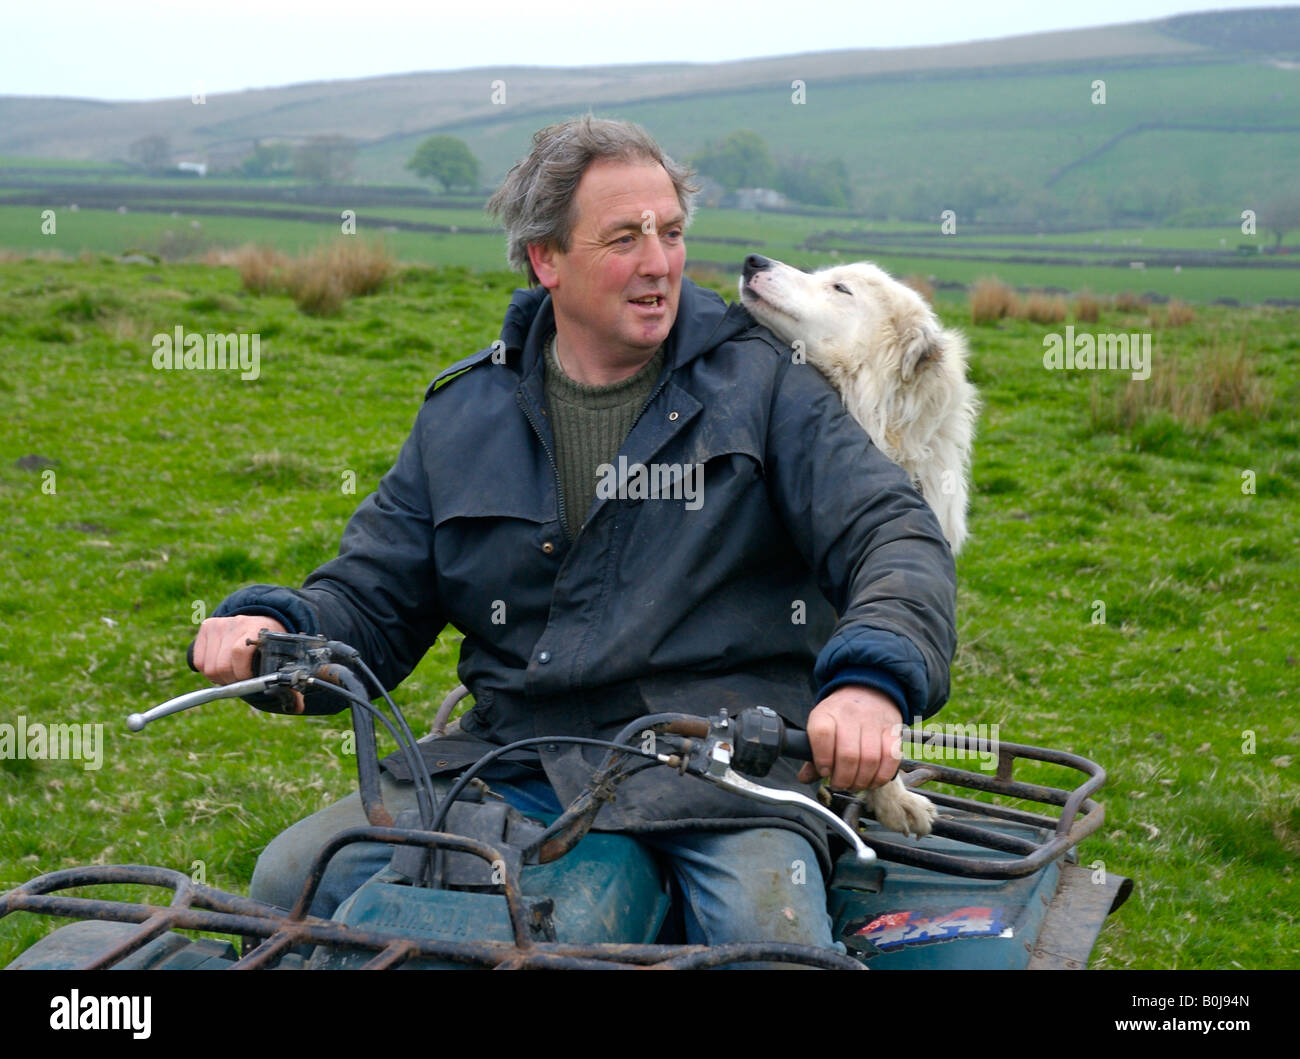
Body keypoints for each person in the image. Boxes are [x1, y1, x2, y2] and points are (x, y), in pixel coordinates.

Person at [192, 115, 956, 954]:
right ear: (545, 258)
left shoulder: (768, 387)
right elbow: (372, 594)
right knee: (286, 881)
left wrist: (870, 681)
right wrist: (280, 630)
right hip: (515, 762)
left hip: (723, 772)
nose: (659, 262)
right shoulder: (464, 415)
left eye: (670, 233)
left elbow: (893, 534)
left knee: (766, 943)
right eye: (624, 237)